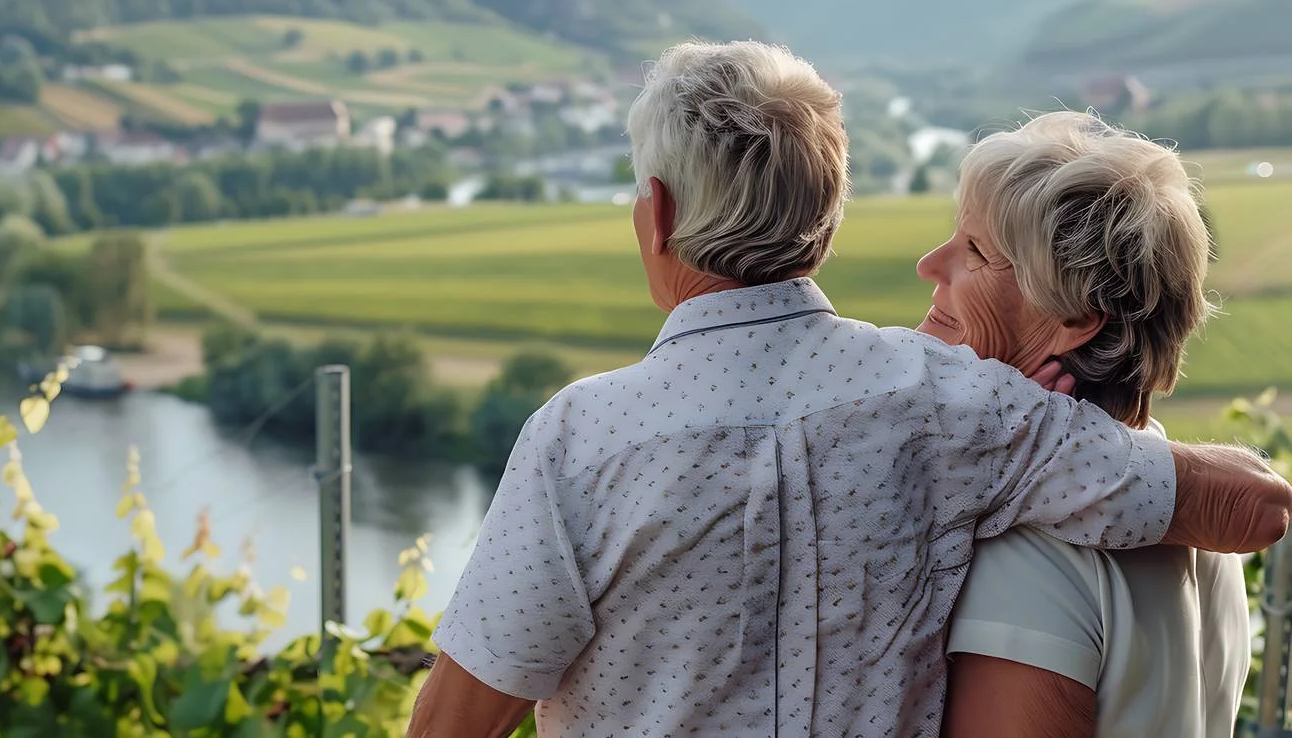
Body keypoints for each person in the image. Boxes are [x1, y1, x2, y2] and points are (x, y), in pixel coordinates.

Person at [405, 41, 1289, 738]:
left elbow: (451, 727)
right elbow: (1254, 510)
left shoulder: (579, 440)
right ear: (825, 219)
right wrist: (1065, 426)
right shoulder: (957, 408)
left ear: (658, 215)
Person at [931, 112, 1252, 738]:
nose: (929, 264)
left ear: (1074, 315)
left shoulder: (1024, 548)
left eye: (973, 251)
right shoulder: (1191, 515)